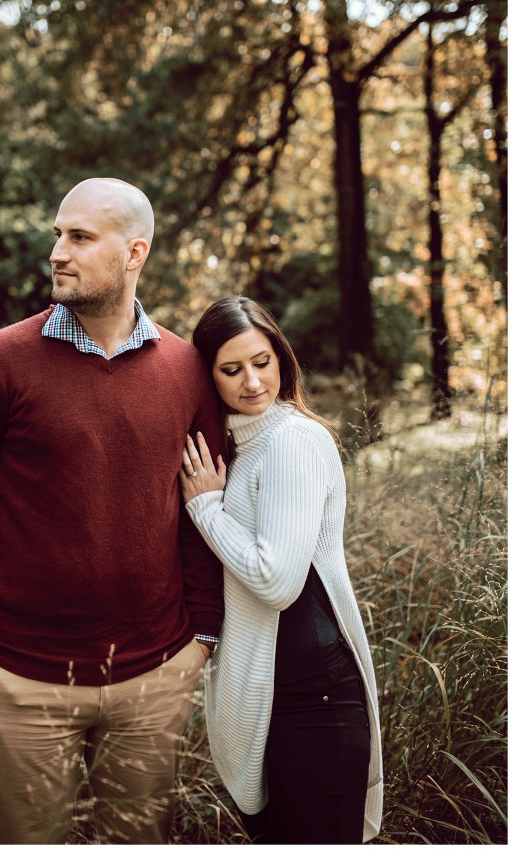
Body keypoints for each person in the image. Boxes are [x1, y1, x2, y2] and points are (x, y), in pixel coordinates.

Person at [0, 177, 224, 845]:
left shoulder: (186, 370)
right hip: (19, 678)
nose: (58, 252)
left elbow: (202, 510)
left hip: (155, 678)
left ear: (134, 252)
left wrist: (201, 637)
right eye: (58, 234)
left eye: (81, 237)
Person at [178, 296, 383, 845]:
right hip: (269, 695)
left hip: (316, 701)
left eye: (262, 362)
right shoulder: (238, 447)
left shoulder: (291, 441)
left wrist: (206, 510)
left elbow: (278, 581)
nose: (252, 382)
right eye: (231, 370)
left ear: (281, 360)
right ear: (207, 376)